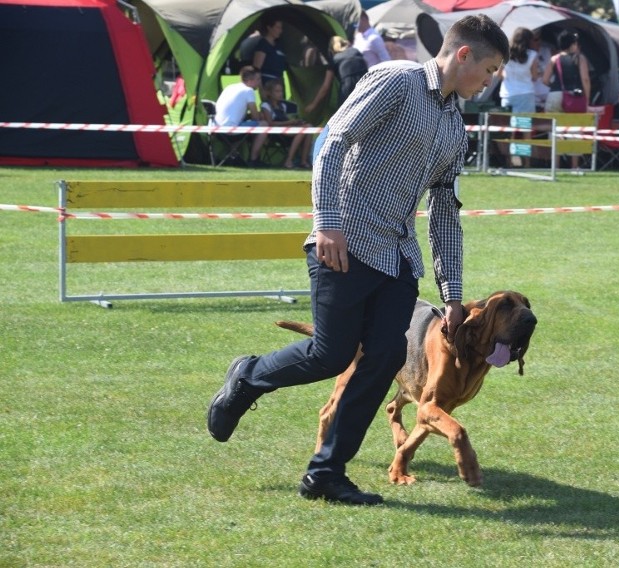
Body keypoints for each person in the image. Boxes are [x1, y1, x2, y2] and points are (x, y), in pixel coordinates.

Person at [206, 15, 509, 506]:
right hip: (344, 241)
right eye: (490, 68)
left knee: (386, 356)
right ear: (463, 55)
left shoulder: (456, 127)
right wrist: (326, 222)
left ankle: (325, 472)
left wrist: (453, 294)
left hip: (398, 259)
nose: (490, 80)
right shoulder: (396, 79)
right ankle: (248, 377)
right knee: (330, 353)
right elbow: (333, 144)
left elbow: (445, 215)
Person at [542, 30, 590, 169]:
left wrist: (555, 87)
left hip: (554, 95)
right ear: (572, 44)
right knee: (574, 131)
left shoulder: (554, 59)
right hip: (573, 97)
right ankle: (574, 166)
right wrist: (587, 98)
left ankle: (555, 166)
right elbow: (585, 79)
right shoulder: (579, 58)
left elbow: (545, 80)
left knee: (555, 130)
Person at [213, 66, 268, 167]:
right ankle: (253, 159)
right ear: (249, 80)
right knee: (264, 125)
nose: (260, 82)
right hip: (231, 132)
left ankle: (233, 157)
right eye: (258, 79)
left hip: (217, 130)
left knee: (240, 124)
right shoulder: (249, 91)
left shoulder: (230, 87)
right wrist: (260, 115)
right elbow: (255, 117)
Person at [304, 36, 369, 114]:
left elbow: (326, 87)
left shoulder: (335, 60)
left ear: (331, 50)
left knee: (344, 117)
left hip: (348, 89)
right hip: (364, 85)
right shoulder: (356, 51)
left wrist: (313, 105)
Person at [260, 79, 312, 169]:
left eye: (281, 91)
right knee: (302, 131)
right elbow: (270, 123)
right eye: (277, 91)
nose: (280, 93)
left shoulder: (282, 106)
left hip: (286, 129)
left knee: (309, 127)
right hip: (275, 133)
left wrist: (296, 122)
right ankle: (288, 160)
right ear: (269, 93)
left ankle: (303, 161)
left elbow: (286, 120)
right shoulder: (265, 105)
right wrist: (288, 122)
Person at [498, 27, 539, 113]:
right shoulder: (532, 55)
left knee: (507, 124)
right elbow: (534, 77)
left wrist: (505, 76)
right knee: (525, 123)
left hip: (508, 94)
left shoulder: (505, 53)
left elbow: (498, 74)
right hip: (526, 93)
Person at [252, 16, 288, 86]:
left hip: (279, 83)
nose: (280, 31)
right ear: (269, 28)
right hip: (267, 84)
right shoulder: (263, 45)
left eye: (281, 28)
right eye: (278, 27)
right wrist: (261, 90)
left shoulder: (278, 45)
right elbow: (256, 69)